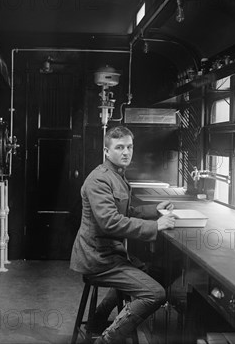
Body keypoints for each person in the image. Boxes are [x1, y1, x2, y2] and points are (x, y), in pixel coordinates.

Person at [70, 125, 176, 344]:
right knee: (155, 293)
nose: (126, 152)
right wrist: (156, 227)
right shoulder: (99, 180)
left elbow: (127, 213)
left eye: (129, 147)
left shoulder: (117, 176)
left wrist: (155, 211)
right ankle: (106, 340)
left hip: (111, 254)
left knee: (158, 273)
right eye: (119, 147)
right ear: (107, 151)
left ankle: (97, 320)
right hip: (98, 259)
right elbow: (110, 222)